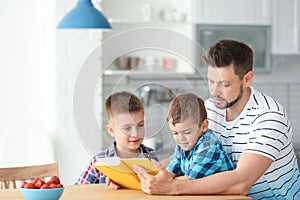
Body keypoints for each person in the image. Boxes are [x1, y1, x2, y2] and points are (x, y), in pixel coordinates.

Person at [134, 39, 300, 199]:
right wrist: (141, 176)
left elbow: (241, 182)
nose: (214, 91)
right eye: (211, 81)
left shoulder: (269, 117)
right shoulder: (211, 109)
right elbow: (192, 155)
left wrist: (173, 187)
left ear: (247, 79)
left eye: (224, 84)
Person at [75, 91, 158, 186]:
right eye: (127, 128)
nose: (135, 133)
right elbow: (77, 191)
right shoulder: (100, 161)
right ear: (111, 130)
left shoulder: (151, 156)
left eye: (140, 125)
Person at [165, 92, 234, 180]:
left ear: (204, 126)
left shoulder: (208, 146)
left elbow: (187, 181)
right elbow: (170, 171)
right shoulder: (183, 145)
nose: (181, 139)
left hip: (225, 193)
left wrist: (161, 182)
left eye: (187, 132)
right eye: (175, 133)